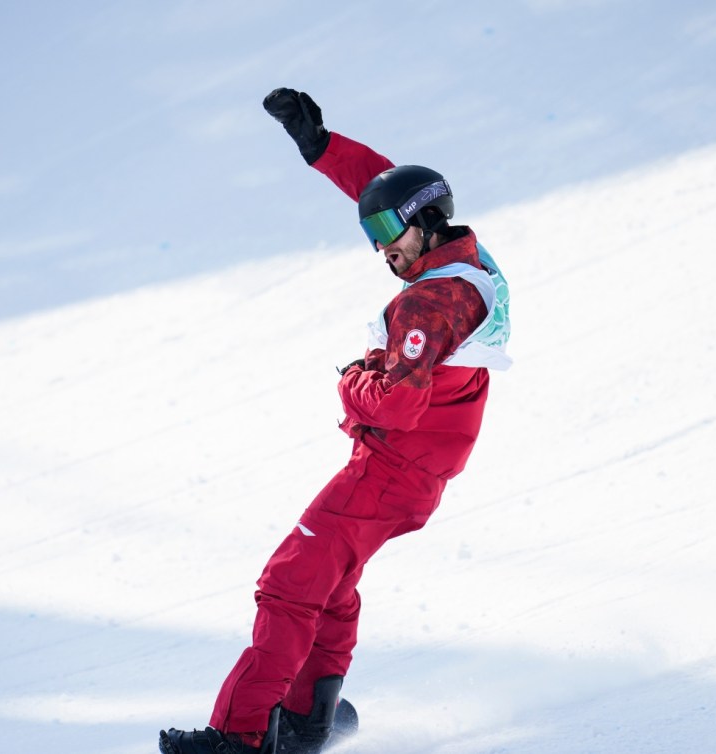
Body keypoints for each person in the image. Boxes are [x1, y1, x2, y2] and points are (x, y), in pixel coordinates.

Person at [159, 87, 511, 754]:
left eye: (387, 235)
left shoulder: (430, 305)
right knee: (329, 584)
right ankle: (306, 718)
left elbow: (395, 401)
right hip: (412, 472)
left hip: (391, 467)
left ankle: (239, 738)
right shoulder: (468, 261)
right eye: (371, 235)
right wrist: (324, 151)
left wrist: (353, 379)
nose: (381, 249)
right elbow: (393, 192)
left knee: (290, 582)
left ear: (426, 224)